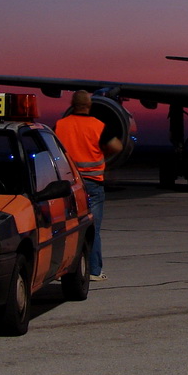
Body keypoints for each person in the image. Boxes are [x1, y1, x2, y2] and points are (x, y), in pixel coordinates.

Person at [55, 91, 123, 281]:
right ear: (89, 105)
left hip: (67, 185)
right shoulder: (97, 126)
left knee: (65, 229)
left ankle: (62, 270)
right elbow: (117, 146)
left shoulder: (61, 125)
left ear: (72, 104)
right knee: (93, 229)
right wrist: (103, 155)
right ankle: (94, 271)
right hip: (92, 184)